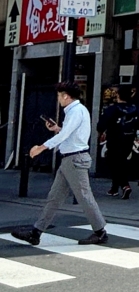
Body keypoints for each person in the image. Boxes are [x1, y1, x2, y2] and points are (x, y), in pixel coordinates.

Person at [12, 81, 109, 246]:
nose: (58, 98)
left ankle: (100, 232)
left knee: (84, 196)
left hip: (74, 159)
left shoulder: (76, 111)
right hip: (70, 160)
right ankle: (36, 233)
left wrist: (41, 147)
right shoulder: (77, 110)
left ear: (66, 96)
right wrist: (57, 129)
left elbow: (65, 136)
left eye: (59, 95)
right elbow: (69, 134)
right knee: (54, 198)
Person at [97, 84, 139, 199]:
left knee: (113, 162)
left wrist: (102, 132)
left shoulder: (112, 109)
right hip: (129, 139)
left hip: (114, 139)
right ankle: (114, 188)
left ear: (118, 95)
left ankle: (124, 185)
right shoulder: (134, 109)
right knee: (120, 162)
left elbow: (101, 125)